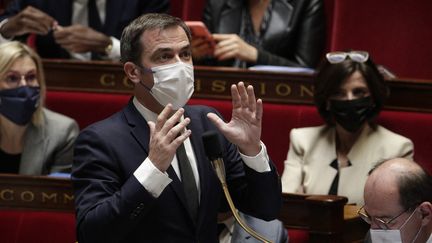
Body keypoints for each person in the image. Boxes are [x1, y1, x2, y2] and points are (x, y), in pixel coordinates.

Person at [72, 13, 282, 242]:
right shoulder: (100, 140)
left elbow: (266, 210)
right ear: (133, 72)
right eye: (164, 56)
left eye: (185, 54)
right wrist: (152, 169)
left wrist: (252, 151)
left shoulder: (208, 122)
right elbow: (92, 233)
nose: (180, 66)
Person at [281, 50, 414, 205]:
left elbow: (392, 214)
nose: (349, 100)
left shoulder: (397, 149)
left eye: (359, 92)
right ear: (327, 101)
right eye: (339, 93)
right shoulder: (302, 140)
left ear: (372, 98)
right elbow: (287, 206)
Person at [0, 41, 78, 175]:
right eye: (12, 78)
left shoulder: (62, 133)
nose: (24, 86)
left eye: (31, 77)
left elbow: (57, 194)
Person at [0, 0, 169, 60]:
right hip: (54, 88)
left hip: (125, 87)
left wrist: (110, 46)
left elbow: (159, 51)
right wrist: (8, 28)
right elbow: (5, 25)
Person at [192, 0, 325, 68]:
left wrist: (257, 56)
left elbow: (306, 71)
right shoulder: (217, 3)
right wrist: (195, 56)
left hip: (278, 95)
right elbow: (207, 64)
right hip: (224, 92)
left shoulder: (306, 3)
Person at [361, 158, 432, 243]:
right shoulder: (370, 239)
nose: (373, 230)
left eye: (384, 221)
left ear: (424, 213)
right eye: (369, 217)